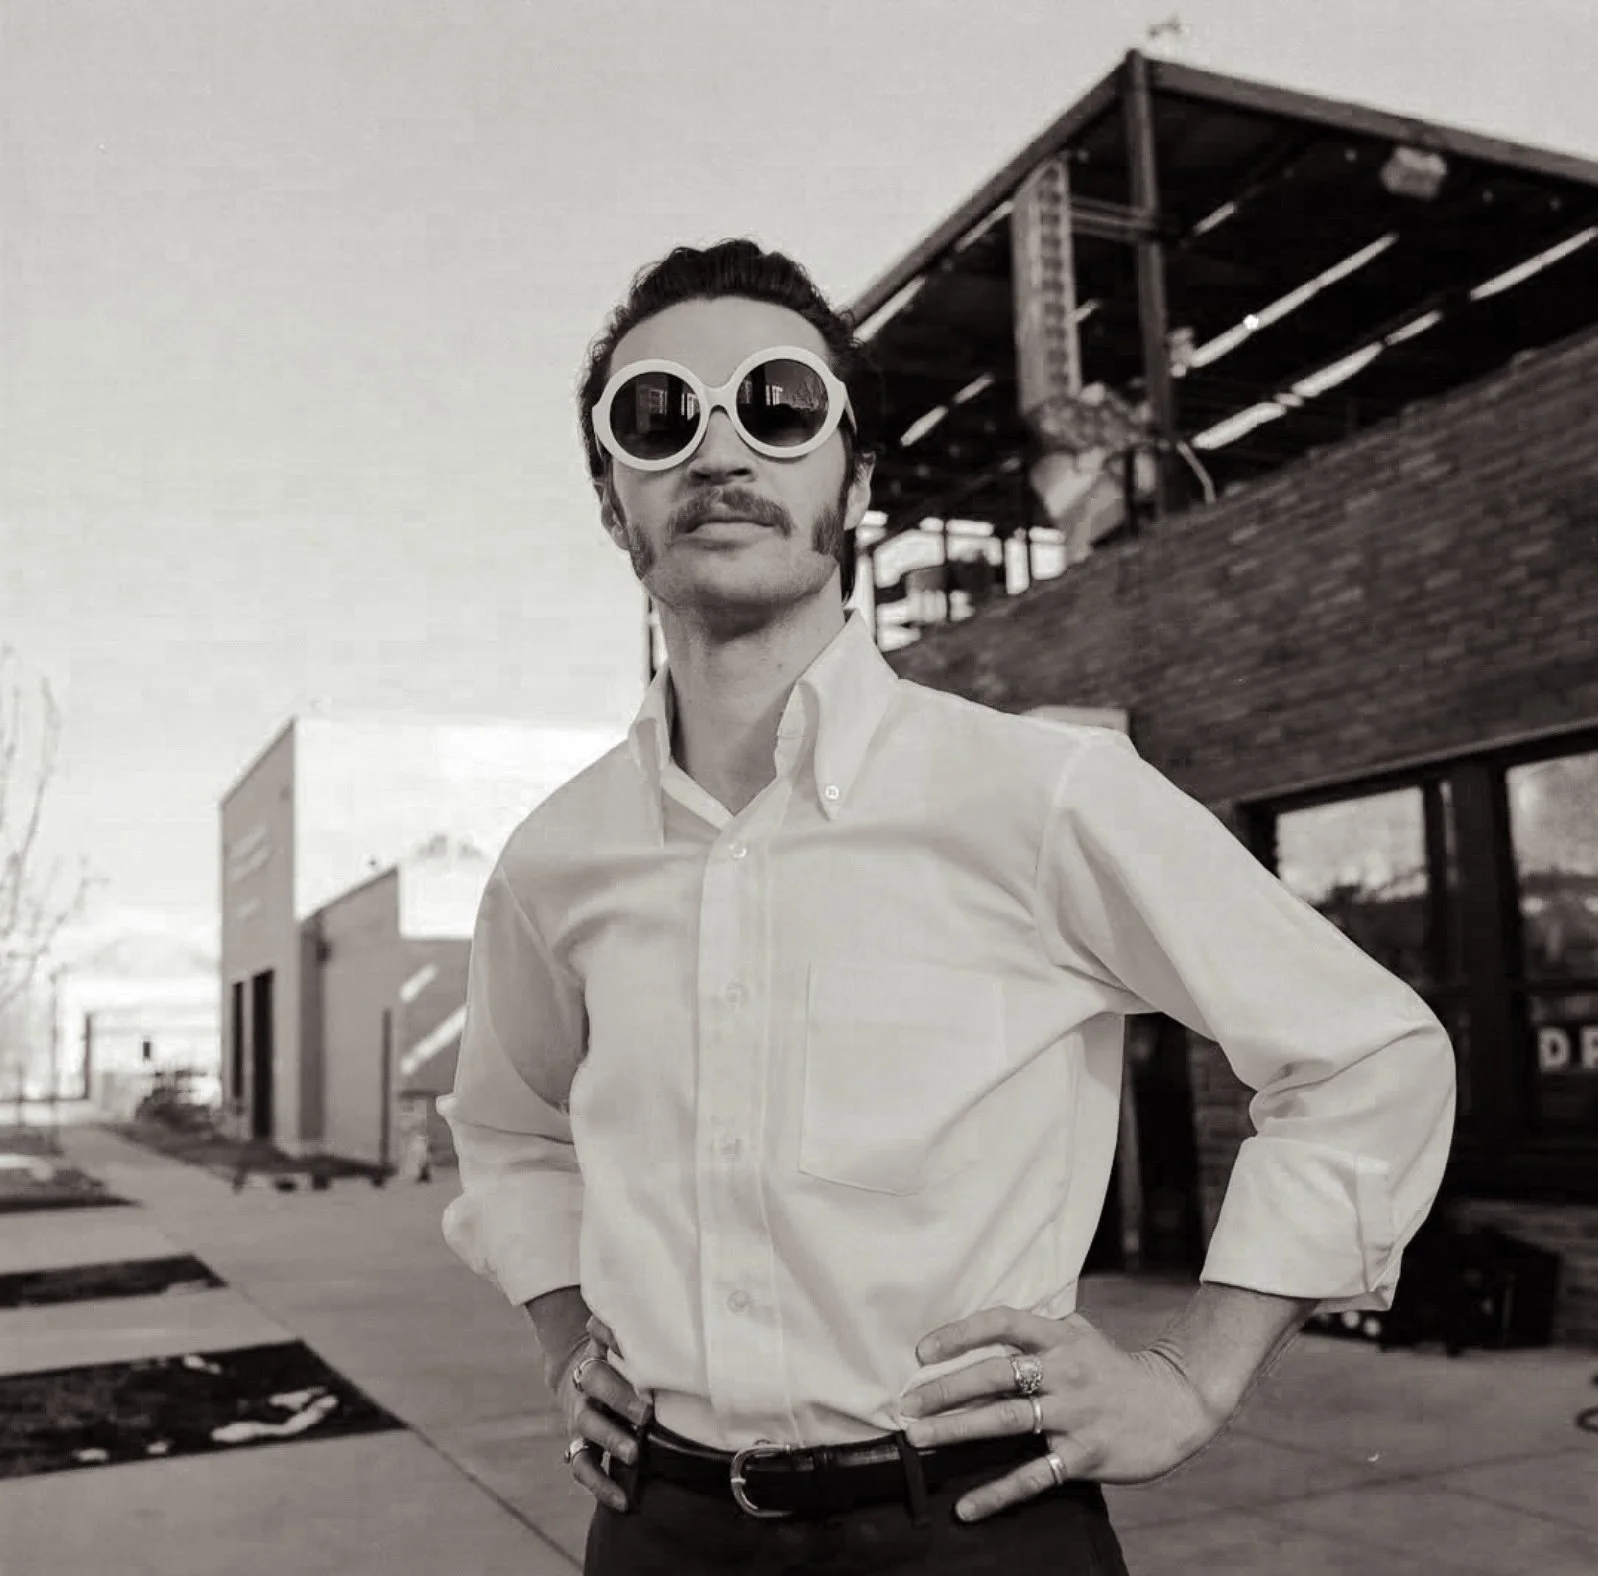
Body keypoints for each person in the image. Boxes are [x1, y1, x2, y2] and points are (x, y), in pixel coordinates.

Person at [438, 238, 1457, 1574]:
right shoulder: (556, 857)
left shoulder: (1041, 795)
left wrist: (1193, 1375)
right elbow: (508, 1131)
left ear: (855, 479)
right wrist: (564, 1336)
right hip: (660, 1530)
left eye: (777, 405)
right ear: (610, 499)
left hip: (975, 1529)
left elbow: (1367, 1055)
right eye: (659, 414)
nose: (718, 448)